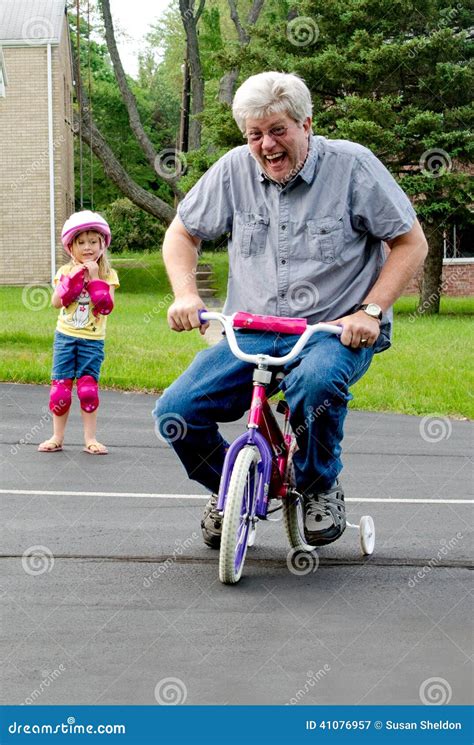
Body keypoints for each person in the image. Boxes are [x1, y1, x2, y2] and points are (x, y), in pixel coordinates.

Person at [153, 71, 428, 549]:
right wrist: (185, 293)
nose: (267, 145)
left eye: (278, 130)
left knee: (315, 383)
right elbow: (182, 233)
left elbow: (410, 242)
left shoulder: (352, 166)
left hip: (334, 329)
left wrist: (370, 310)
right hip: (253, 329)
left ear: (307, 124)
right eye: (255, 134)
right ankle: (230, 491)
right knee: (175, 411)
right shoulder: (234, 169)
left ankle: (319, 484)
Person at [38, 210, 119, 455]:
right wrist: (70, 281)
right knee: (60, 389)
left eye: (93, 242)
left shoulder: (108, 275)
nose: (87, 247)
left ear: (102, 244)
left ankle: (90, 439)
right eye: (81, 242)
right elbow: (56, 302)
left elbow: (106, 307)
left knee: (87, 390)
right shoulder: (65, 271)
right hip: (65, 337)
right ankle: (57, 437)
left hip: (92, 341)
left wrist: (94, 278)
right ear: (71, 247)